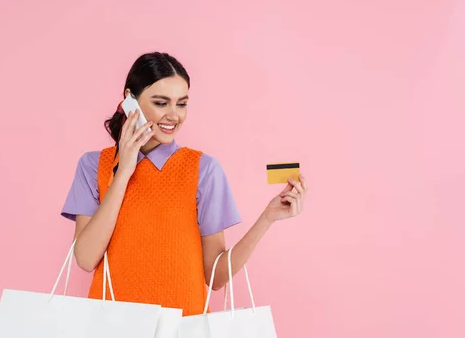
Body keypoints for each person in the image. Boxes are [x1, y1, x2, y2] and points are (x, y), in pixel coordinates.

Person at [61, 52, 307, 316]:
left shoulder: (204, 170)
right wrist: (123, 172)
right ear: (129, 99)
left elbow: (215, 277)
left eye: (181, 104)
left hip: (183, 335)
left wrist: (267, 218)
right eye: (161, 103)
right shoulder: (93, 166)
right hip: (113, 331)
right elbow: (85, 259)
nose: (173, 116)